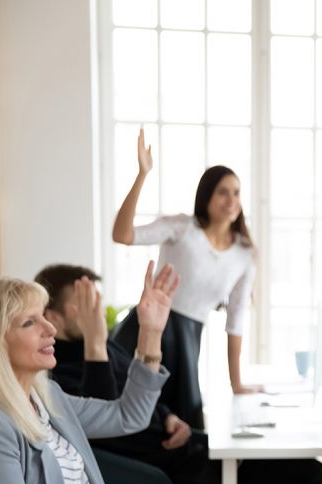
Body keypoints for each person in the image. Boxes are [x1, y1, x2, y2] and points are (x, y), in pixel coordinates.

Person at [34, 264, 322, 484]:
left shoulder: (106, 347)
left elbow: (138, 392)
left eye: (96, 301)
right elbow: (110, 418)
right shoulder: (57, 374)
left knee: (309, 471)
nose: (95, 312)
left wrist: (169, 416)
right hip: (169, 476)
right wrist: (96, 343)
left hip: (194, 454)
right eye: (83, 304)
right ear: (53, 318)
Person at [0, 262, 261, 484]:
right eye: (29, 322)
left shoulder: (45, 397)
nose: (49, 328)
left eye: (43, 316)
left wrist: (150, 333)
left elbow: (129, 416)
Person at [111, 129, 259, 430]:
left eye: (236, 192)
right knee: (135, 414)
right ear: (206, 196)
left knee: (185, 428)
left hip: (188, 341)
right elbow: (122, 235)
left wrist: (237, 383)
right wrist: (142, 175)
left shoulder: (245, 254)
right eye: (222, 191)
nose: (231, 199)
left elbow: (236, 321)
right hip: (143, 331)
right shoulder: (182, 227)